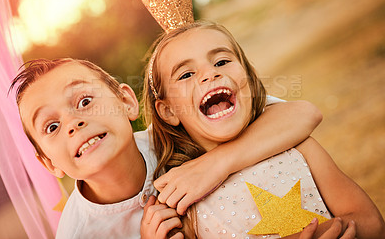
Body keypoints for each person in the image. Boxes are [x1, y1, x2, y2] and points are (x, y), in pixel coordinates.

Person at [10, 58, 324, 238]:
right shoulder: (80, 235)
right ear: (50, 164)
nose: (72, 123)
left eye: (85, 101)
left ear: (126, 101)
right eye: (51, 126)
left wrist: (217, 162)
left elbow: (303, 113)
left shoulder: (173, 133)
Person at [140, 19, 385, 238]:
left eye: (222, 61)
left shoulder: (296, 146)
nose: (210, 74)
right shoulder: (182, 201)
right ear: (168, 111)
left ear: (249, 78)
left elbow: (372, 223)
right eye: (186, 74)